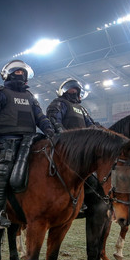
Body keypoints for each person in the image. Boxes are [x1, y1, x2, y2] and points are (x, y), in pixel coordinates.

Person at [0, 60, 55, 229]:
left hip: (31, 139)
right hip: (7, 140)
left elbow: (41, 118)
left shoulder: (30, 97)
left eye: (23, 73)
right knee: (4, 168)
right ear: (7, 75)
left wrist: (51, 132)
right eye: (16, 72)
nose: (20, 75)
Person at [46, 78, 98, 212]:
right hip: (65, 145)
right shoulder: (59, 103)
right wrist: (65, 137)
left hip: (82, 147)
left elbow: (91, 124)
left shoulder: (81, 109)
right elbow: (54, 120)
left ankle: (86, 201)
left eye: (76, 90)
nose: (73, 92)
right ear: (63, 91)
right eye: (70, 89)